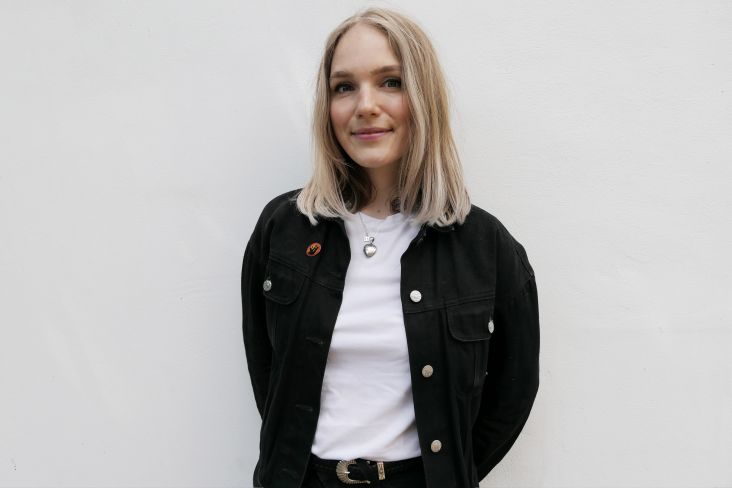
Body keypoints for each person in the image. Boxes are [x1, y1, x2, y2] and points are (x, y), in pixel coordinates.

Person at [241, 7, 540, 488]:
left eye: (390, 82)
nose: (365, 105)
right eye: (344, 87)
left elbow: (513, 392)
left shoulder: (485, 247)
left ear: (423, 97)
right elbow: (267, 372)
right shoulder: (284, 230)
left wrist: (446, 473)